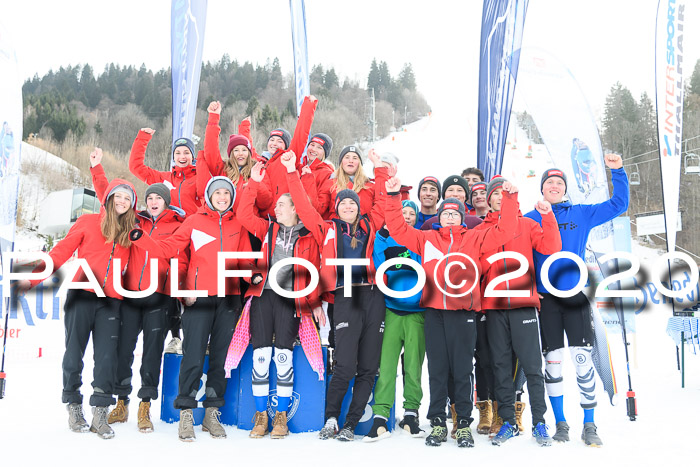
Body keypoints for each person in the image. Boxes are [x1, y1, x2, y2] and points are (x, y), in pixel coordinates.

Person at [383, 175, 519, 448]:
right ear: (440, 218)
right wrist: (393, 195)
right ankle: (436, 422)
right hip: (434, 312)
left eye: (454, 214)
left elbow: (505, 230)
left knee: (462, 369)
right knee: (437, 368)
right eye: (445, 214)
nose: (449, 218)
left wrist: (511, 199)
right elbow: (397, 229)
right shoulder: (427, 238)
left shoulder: (475, 238)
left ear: (461, 217)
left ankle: (464, 423)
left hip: (463, 311)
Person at [129, 176, 251, 442]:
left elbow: (245, 262)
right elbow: (170, 248)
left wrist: (257, 278)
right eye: (217, 192)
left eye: (226, 193)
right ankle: (186, 411)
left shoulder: (238, 224)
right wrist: (142, 241)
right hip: (198, 298)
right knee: (193, 355)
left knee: (221, 359)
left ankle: (211, 414)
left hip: (228, 299)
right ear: (209, 195)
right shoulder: (195, 221)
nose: (222, 197)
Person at [17, 176, 139, 440]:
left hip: (111, 301)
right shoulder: (87, 223)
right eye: (118, 196)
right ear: (108, 198)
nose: (122, 201)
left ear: (132, 205)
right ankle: (73, 405)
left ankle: (100, 411)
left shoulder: (132, 233)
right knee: (74, 354)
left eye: (127, 198)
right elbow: (60, 253)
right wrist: (32, 278)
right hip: (82, 295)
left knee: (107, 357)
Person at [282, 149, 388, 442]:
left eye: (352, 204)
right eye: (343, 204)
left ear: (358, 208)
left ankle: (352, 423)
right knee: (345, 364)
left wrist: (379, 170)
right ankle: (331, 418)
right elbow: (303, 206)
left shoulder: (370, 226)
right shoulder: (326, 228)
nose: (348, 208)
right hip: (345, 297)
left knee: (368, 366)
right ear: (337, 207)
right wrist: (292, 172)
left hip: (374, 295)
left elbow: (382, 203)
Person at [524, 154, 629, 447]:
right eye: (549, 182)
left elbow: (619, 205)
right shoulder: (529, 219)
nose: (554, 186)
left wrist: (618, 171)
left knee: (582, 360)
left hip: (575, 297)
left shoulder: (581, 213)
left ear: (564, 188)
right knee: (553, 362)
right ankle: (560, 423)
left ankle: (590, 424)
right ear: (542, 189)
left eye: (559, 182)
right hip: (546, 300)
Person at [88, 148, 189, 433]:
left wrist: (174, 292)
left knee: (152, 354)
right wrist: (97, 169)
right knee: (124, 351)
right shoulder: (135, 221)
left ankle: (145, 406)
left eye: (159, 198)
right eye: (150, 198)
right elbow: (107, 199)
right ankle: (122, 403)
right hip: (130, 295)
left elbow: (180, 262)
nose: (154, 201)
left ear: (167, 203)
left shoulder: (177, 226)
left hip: (158, 298)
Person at [236, 161, 324, 439]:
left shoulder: (310, 234)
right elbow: (243, 214)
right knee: (261, 356)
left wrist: (313, 302)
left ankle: (281, 418)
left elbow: (316, 272)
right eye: (276, 206)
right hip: (264, 295)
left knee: (283, 357)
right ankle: (261, 416)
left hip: (291, 299)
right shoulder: (268, 229)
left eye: (282, 205)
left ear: (295, 208)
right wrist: (252, 183)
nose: (276, 208)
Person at [475, 176, 561, 446]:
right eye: (495, 194)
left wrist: (548, 217)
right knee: (500, 365)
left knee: (533, 366)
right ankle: (508, 422)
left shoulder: (527, 224)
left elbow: (551, 247)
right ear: (488, 200)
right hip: (494, 306)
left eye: (504, 193)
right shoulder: (481, 230)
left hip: (523, 303)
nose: (499, 197)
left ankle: (539, 423)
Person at [364, 199, 426, 442]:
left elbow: (427, 267)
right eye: (403, 213)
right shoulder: (383, 240)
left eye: (412, 213)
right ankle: (380, 417)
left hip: (417, 312)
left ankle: (411, 414)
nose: (407, 216)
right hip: (391, 310)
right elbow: (381, 268)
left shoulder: (421, 238)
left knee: (413, 367)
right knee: (387, 365)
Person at [199, 101, 273, 215]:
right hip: (226, 222)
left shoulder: (258, 170)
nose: (240, 154)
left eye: (244, 150)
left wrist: (256, 185)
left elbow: (265, 203)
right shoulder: (223, 169)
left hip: (247, 225)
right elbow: (211, 148)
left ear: (249, 153)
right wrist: (213, 118)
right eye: (236, 150)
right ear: (231, 153)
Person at [256, 96, 318, 218]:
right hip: (264, 219)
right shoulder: (261, 162)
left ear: (286, 146)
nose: (274, 143)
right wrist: (245, 127)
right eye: (272, 139)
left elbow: (301, 134)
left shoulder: (288, 158)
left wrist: (308, 107)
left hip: (284, 219)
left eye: (279, 141)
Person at [128, 128, 202, 216]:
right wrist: (143, 138)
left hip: (192, 227)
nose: (182, 156)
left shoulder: (200, 178)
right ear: (173, 157)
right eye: (177, 153)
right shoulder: (164, 179)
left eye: (186, 153)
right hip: (168, 227)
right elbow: (136, 167)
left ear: (192, 156)